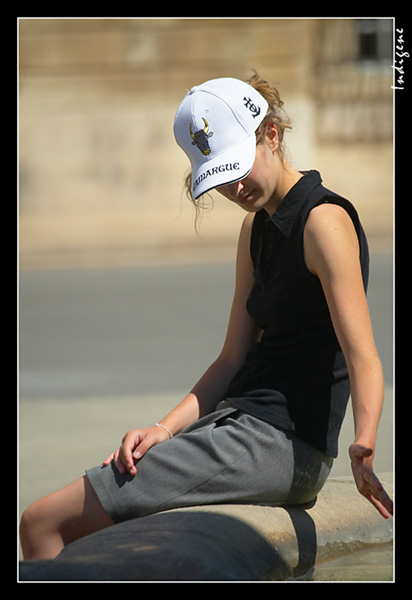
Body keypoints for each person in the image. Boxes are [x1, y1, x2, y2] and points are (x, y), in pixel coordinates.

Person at [20, 73, 393, 561]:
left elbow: (362, 356)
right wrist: (164, 429)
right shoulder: (253, 230)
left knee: (42, 522)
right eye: (219, 175)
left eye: (237, 165)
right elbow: (231, 358)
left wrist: (363, 442)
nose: (234, 186)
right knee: (84, 532)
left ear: (272, 135)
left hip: (277, 445)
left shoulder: (324, 222)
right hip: (240, 429)